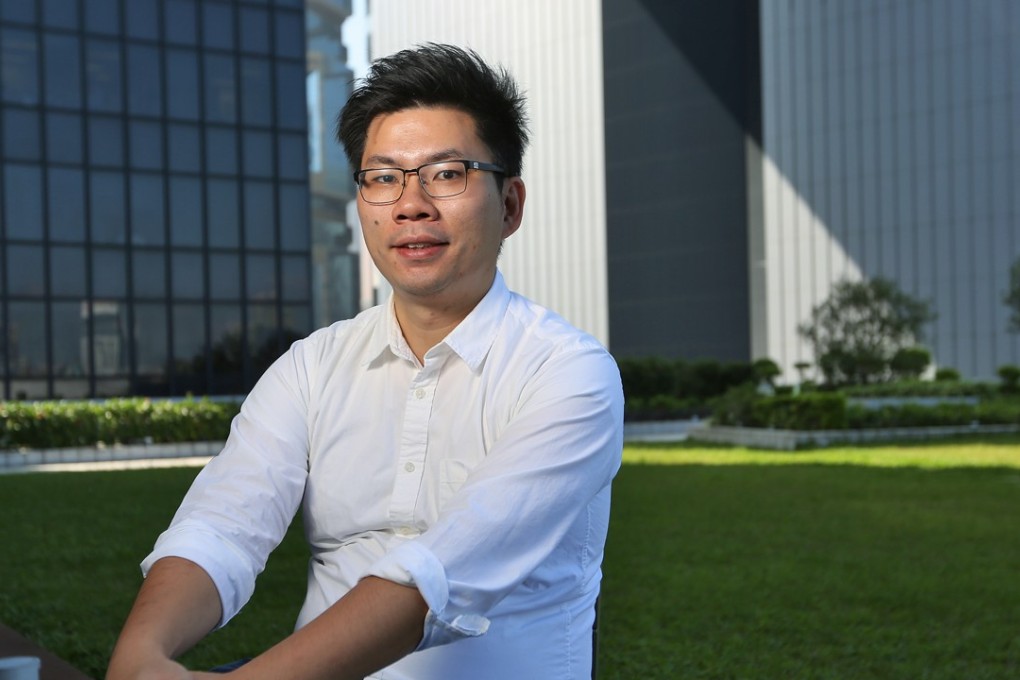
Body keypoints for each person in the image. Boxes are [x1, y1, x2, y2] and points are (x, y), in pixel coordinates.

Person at [106, 43, 623, 680]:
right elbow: (222, 527)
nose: (411, 204)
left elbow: (435, 577)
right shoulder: (310, 367)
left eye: (448, 173)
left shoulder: (568, 374)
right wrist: (139, 657)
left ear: (511, 205)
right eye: (383, 177)